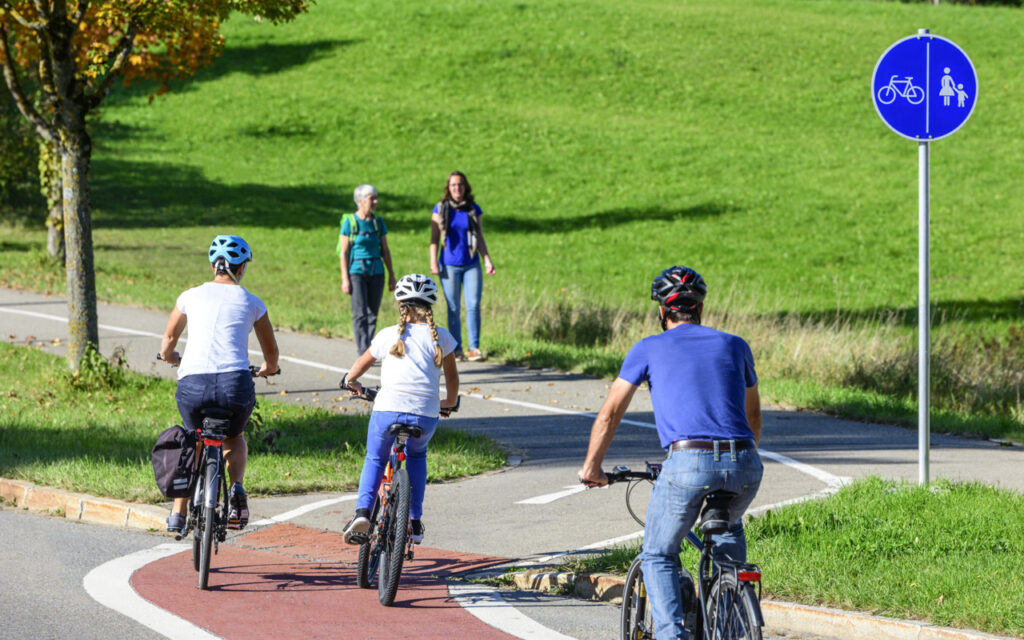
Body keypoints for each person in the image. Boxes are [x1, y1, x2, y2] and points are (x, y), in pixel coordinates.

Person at [578, 266, 763, 640]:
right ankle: (733, 625)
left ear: (662, 311)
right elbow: (753, 415)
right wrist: (732, 464)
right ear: (700, 309)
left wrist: (592, 467)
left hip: (688, 461)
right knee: (727, 541)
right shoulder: (735, 344)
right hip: (745, 461)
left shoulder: (647, 348)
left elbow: (611, 412)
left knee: (659, 554)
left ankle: (671, 635)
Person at [160, 235, 280, 534]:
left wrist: (170, 357)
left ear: (214, 266)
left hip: (193, 385)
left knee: (194, 440)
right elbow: (271, 353)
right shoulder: (253, 302)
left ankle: (178, 512)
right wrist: (269, 369)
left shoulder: (189, 296)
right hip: (234, 385)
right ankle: (237, 490)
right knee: (234, 437)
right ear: (240, 270)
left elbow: (168, 341)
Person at [341, 274, 460, 545]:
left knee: (375, 457)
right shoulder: (442, 337)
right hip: (425, 415)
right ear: (430, 307)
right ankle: (414, 521)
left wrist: (350, 381)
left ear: (401, 305)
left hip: (387, 411)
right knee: (417, 456)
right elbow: (452, 380)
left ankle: (362, 513)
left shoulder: (388, 334)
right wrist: (449, 403)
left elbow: (362, 363)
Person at [429, 171, 496, 361]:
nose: (457, 188)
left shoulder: (473, 209)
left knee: (473, 305)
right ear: (448, 189)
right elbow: (434, 238)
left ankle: (474, 347)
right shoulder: (440, 209)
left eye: (460, 185)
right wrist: (433, 261)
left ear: (465, 187)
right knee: (453, 307)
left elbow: (480, 237)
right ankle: (456, 349)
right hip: (449, 265)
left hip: (471, 263)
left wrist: (487, 260)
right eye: (453, 185)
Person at [340, 184, 397, 355]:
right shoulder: (350, 222)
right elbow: (343, 252)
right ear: (360, 201)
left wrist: (392, 276)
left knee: (373, 312)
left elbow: (385, 250)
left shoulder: (378, 223)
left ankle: (368, 348)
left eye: (375, 198)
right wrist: (345, 278)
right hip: (357, 271)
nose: (375, 201)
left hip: (377, 271)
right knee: (360, 313)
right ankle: (363, 350)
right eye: (371, 198)